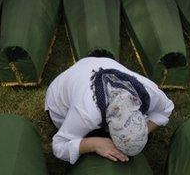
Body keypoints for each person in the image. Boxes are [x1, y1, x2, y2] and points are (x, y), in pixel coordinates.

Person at [45, 57, 174, 164]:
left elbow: (167, 108)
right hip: (59, 103)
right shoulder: (87, 114)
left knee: (130, 140)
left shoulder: (150, 92)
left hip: (90, 66)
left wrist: (144, 131)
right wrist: (94, 144)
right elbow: (58, 146)